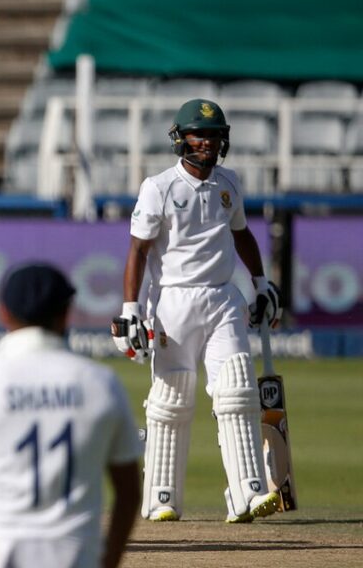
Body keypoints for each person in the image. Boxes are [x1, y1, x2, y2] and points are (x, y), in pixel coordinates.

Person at [114, 98, 283, 524]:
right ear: (180, 139)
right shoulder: (159, 187)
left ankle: (248, 493)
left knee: (237, 390)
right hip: (172, 302)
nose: (207, 142)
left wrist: (261, 284)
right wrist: (131, 309)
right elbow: (137, 250)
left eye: (214, 135)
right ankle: (161, 498)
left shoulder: (229, 183)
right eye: (199, 134)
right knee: (171, 402)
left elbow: (241, 235)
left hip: (224, 298)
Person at [0, 263, 142, 568]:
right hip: (78, 555)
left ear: (3, 312)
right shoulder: (101, 384)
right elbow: (129, 493)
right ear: (66, 312)